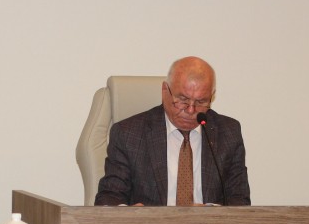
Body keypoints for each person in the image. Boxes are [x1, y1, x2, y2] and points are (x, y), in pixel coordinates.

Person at [94, 56, 250, 206]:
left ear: (211, 96)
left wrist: (210, 212)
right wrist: (132, 214)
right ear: (164, 90)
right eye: (182, 99)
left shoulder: (228, 133)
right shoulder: (128, 134)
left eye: (201, 101)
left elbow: (239, 201)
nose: (191, 110)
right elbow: (109, 198)